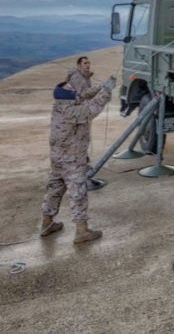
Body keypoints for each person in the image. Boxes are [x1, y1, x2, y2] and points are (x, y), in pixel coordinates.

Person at [40, 58, 116, 244]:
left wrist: (99, 88)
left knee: (55, 190)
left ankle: (47, 223)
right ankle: (82, 231)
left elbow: (82, 99)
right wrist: (106, 90)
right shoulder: (72, 112)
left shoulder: (60, 107)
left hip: (58, 160)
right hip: (72, 160)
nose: (74, 93)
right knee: (78, 194)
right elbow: (92, 108)